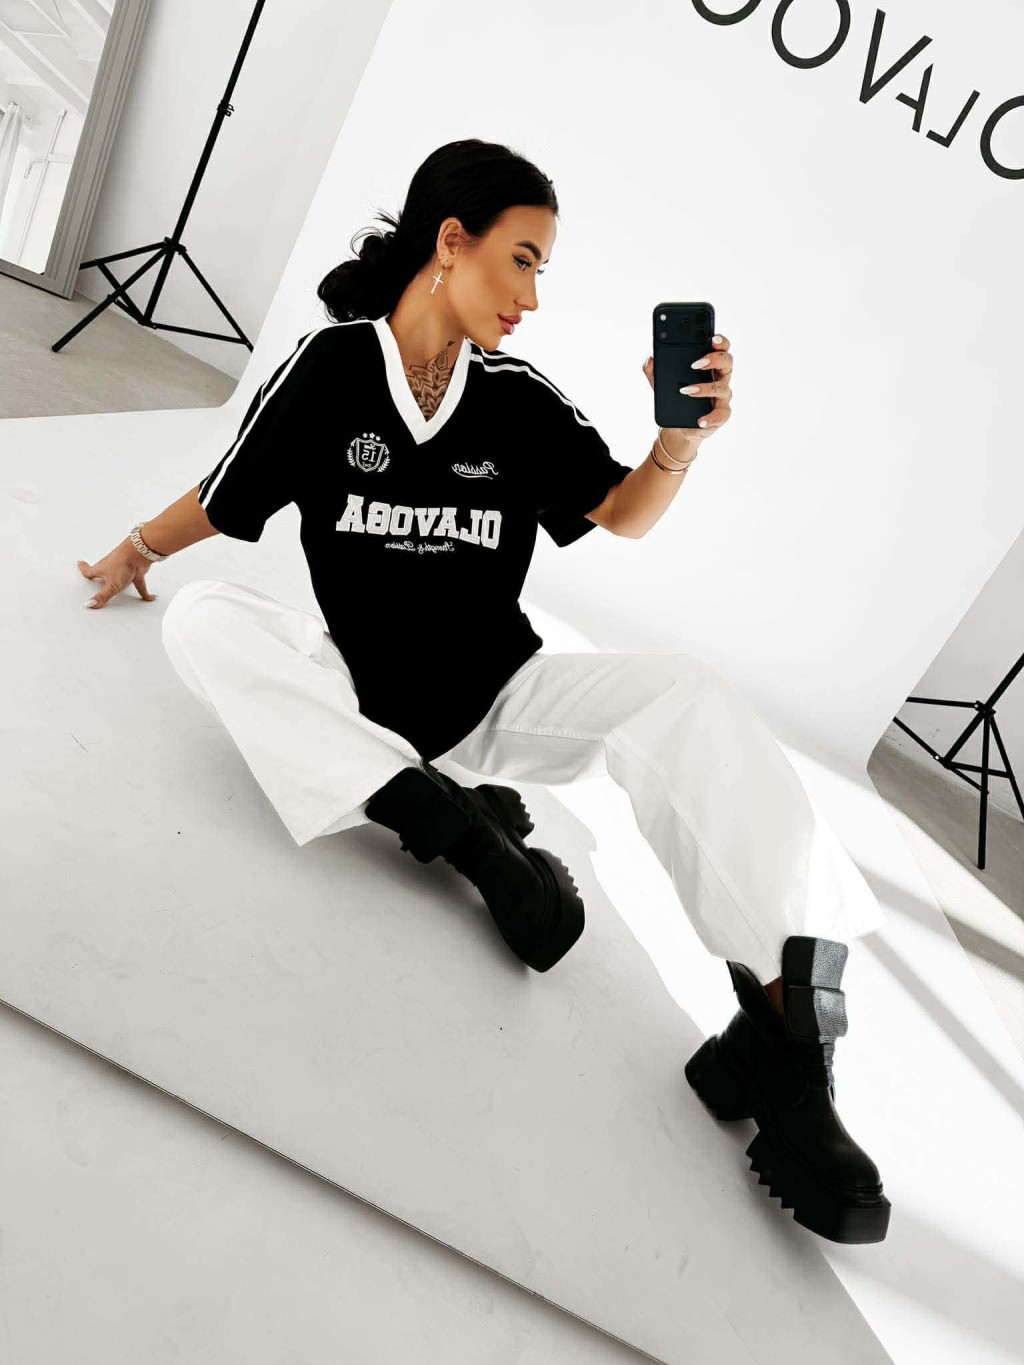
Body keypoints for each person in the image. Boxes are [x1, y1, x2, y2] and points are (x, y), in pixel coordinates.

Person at [77, 138, 890, 1245]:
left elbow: (620, 513)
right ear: (450, 242)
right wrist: (135, 549)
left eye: (542, 269)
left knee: (689, 697)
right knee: (204, 618)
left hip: (498, 699)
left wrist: (676, 443)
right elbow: (229, 497)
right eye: (523, 260)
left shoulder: (515, 401)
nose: (533, 297)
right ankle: (464, 838)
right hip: (362, 697)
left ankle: (788, 1029)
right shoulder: (331, 370)